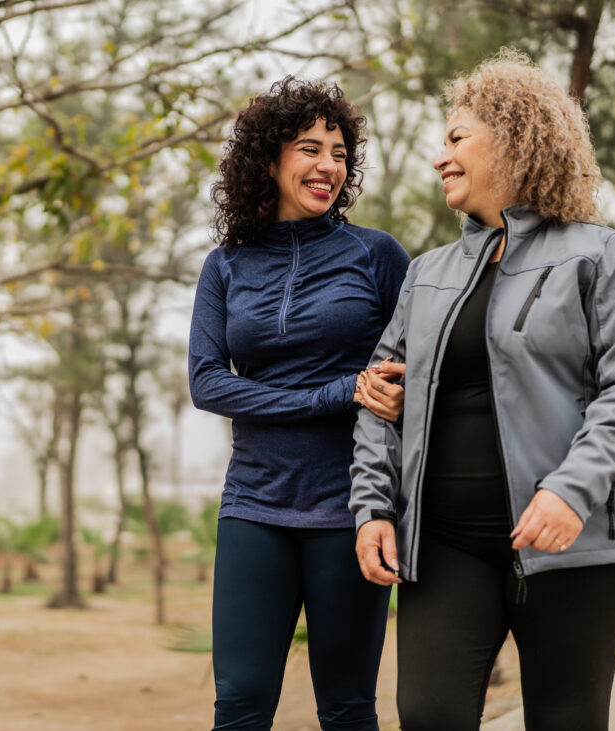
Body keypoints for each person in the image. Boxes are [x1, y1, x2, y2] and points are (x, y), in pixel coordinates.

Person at [350, 50, 615, 731]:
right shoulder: (426, 274)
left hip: (571, 545)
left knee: (566, 720)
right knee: (429, 713)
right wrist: (373, 505)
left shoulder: (599, 256)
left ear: (515, 139)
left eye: (456, 138)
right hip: (444, 544)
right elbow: (379, 396)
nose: (441, 156)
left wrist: (569, 490)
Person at [189, 77, 412, 730]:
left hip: (350, 505)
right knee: (239, 703)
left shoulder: (376, 255)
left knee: (346, 708)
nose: (328, 167)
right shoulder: (225, 265)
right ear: (268, 158)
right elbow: (208, 382)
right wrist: (337, 390)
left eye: (339, 153)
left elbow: (409, 373)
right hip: (253, 502)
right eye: (310, 148)